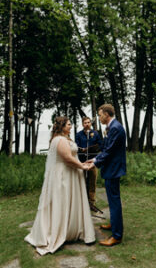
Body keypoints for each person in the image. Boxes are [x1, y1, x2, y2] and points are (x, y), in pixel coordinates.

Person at [25, 117, 96, 255]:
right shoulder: (60, 140)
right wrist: (82, 166)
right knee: (63, 201)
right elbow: (67, 159)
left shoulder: (65, 138)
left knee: (70, 202)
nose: (71, 126)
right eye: (68, 124)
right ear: (62, 126)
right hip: (64, 175)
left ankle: (71, 228)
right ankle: (60, 230)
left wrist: (82, 164)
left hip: (71, 174)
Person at [85, 104, 127, 247]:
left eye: (100, 114)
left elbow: (109, 152)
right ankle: (114, 225)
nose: (99, 117)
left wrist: (95, 163)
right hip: (111, 168)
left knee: (114, 202)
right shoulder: (111, 127)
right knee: (112, 200)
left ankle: (117, 236)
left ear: (107, 114)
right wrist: (95, 158)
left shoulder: (115, 128)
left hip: (114, 169)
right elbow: (106, 148)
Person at [75, 116, 103, 213]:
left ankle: (92, 203)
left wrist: (94, 148)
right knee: (82, 182)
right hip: (82, 162)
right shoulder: (78, 134)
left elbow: (100, 145)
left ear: (90, 123)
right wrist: (81, 149)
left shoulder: (95, 134)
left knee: (92, 183)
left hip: (92, 162)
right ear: (82, 124)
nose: (87, 124)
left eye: (88, 122)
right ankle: (82, 203)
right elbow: (75, 146)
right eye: (85, 123)